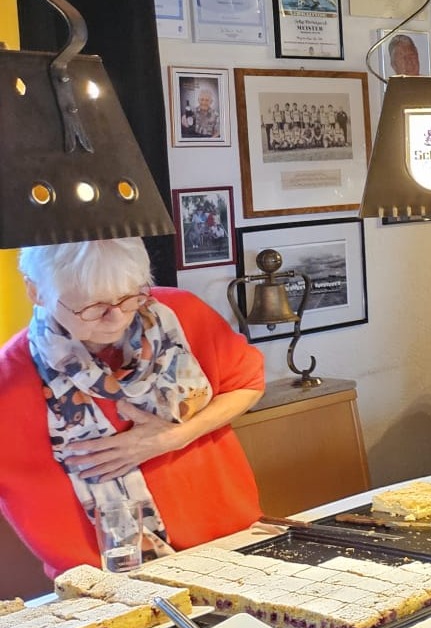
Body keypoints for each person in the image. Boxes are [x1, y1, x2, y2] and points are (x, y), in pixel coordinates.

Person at [0, 239, 266, 577]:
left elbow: (246, 384)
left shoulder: (180, 314)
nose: (116, 318)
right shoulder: (10, 378)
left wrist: (175, 437)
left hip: (231, 541)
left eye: (129, 297)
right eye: (93, 307)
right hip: (104, 579)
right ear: (36, 291)